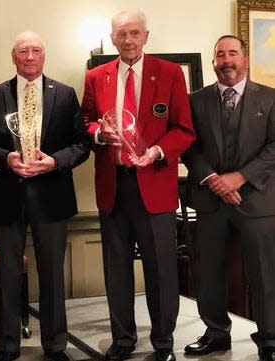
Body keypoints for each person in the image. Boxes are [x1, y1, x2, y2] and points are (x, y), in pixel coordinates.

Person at [81, 11, 195, 361]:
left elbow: (184, 129)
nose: (128, 40)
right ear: (112, 39)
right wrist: (99, 133)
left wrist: (159, 150)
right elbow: (85, 121)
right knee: (116, 270)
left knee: (161, 270)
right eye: (121, 34)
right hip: (114, 187)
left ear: (146, 36)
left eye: (134, 33)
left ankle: (163, 344)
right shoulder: (95, 76)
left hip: (156, 185)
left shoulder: (171, 73)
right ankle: (123, 341)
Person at [0, 30, 91, 361]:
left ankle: (55, 345)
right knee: (8, 275)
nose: (29, 56)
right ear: (14, 57)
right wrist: (6, 159)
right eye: (23, 51)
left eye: (36, 51)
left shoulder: (66, 94)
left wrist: (55, 161)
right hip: (7, 196)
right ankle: (8, 346)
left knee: (53, 274)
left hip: (52, 195)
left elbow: (82, 145)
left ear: (44, 55)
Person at [182, 35, 275, 360]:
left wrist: (240, 177)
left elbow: (274, 147)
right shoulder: (194, 100)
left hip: (259, 201)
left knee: (265, 273)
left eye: (233, 53)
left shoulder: (271, 99)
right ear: (213, 63)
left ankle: (270, 339)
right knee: (209, 271)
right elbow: (188, 146)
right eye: (220, 54)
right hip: (210, 200)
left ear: (245, 59)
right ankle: (216, 334)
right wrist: (213, 179)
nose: (226, 60)